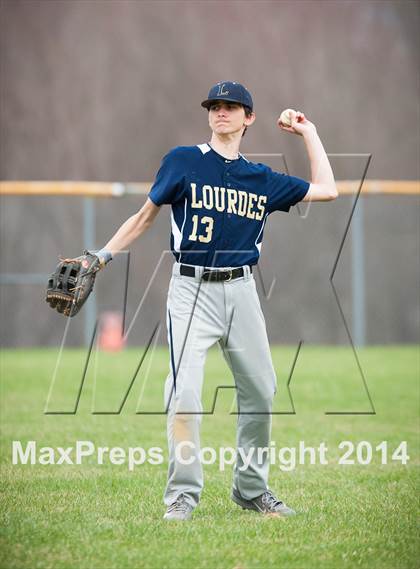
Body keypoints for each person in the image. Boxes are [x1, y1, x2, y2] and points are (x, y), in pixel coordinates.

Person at [95, 81, 337, 521]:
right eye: (215, 106)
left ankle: (251, 490)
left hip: (242, 289)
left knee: (261, 391)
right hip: (190, 290)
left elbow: (328, 189)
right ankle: (183, 496)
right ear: (209, 115)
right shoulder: (183, 161)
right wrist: (103, 254)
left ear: (249, 118)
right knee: (183, 394)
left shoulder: (261, 179)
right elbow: (145, 216)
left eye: (232, 107)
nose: (221, 112)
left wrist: (309, 132)